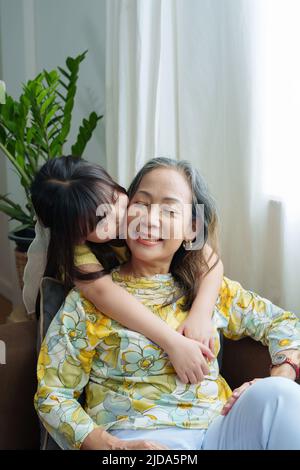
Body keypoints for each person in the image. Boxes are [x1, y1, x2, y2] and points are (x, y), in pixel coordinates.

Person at [34, 157, 300, 450]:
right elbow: (53, 394)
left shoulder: (209, 288)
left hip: (220, 432)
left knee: (280, 396)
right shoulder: (87, 300)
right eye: (142, 203)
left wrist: (282, 375)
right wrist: (115, 447)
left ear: (192, 229)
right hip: (139, 441)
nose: (149, 219)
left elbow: (284, 324)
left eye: (170, 210)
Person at [26, 156, 224, 385]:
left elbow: (209, 259)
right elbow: (104, 294)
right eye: (100, 221)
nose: (118, 216)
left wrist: (201, 314)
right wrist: (173, 342)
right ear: (78, 235)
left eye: (113, 199)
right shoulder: (79, 254)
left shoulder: (137, 212)